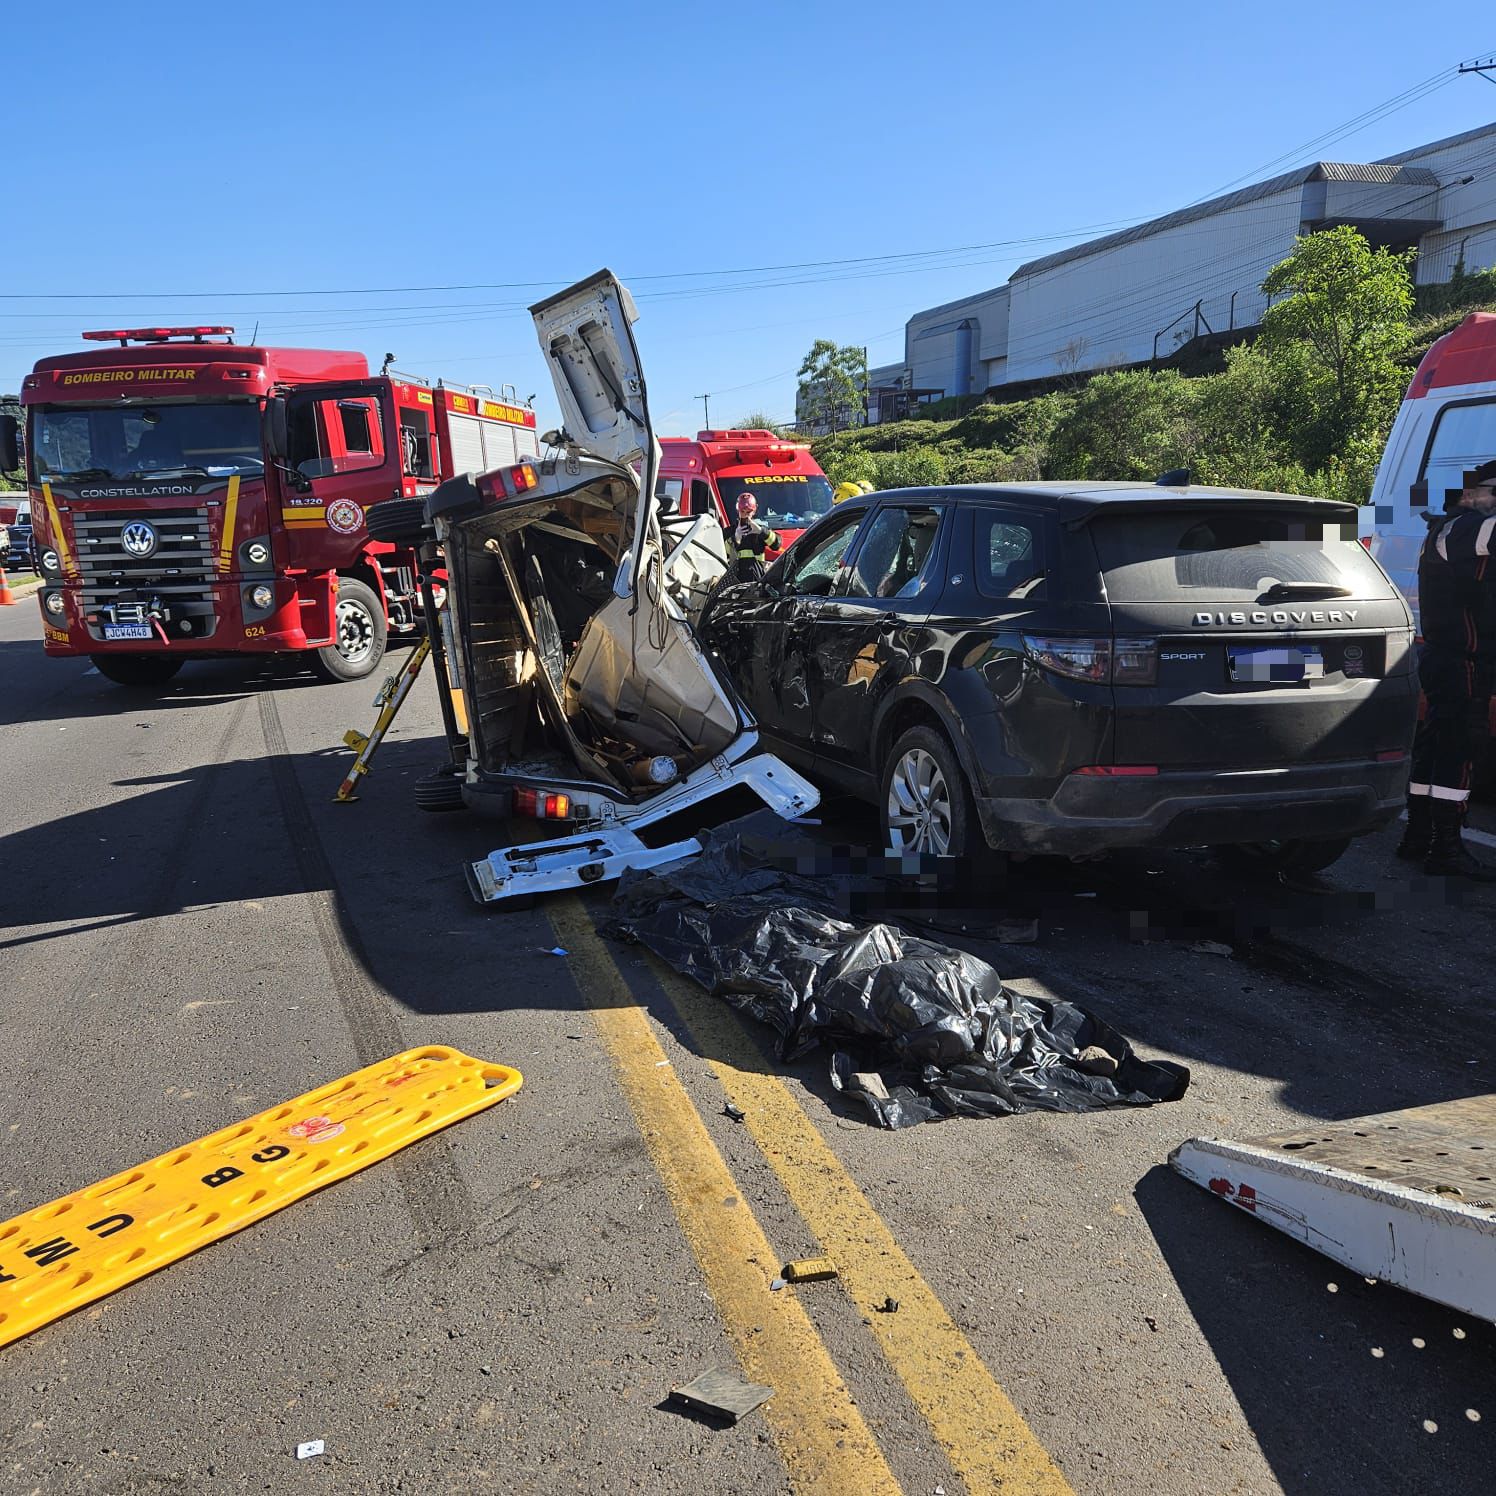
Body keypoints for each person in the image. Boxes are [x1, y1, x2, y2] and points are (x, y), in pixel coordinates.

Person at [1396, 457, 1496, 878]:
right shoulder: (1466, 527)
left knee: (1435, 744)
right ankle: (1446, 847)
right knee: (1458, 751)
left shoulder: (1446, 528)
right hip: (1462, 659)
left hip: (1443, 653)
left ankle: (1419, 835)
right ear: (1470, 494)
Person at [729, 494, 781, 583]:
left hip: (758, 579)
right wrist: (736, 538)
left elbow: (777, 545)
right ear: (738, 509)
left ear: (755, 510)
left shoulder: (760, 529)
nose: (746, 515)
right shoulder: (729, 531)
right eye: (743, 511)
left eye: (749, 512)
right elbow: (722, 553)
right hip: (737, 581)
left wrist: (761, 532)